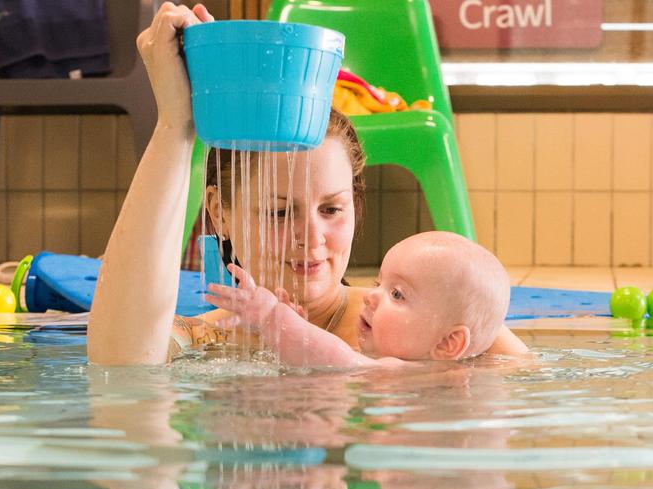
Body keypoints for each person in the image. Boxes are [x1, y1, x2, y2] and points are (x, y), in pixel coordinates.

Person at [87, 2, 528, 365]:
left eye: (331, 209)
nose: (311, 238)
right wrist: (174, 124)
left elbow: (520, 389)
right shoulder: (208, 337)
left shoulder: (429, 322)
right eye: (280, 211)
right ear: (219, 212)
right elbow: (119, 368)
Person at [204, 232, 510, 368]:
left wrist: (273, 317)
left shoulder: (402, 371)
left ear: (447, 344)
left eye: (397, 294)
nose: (372, 295)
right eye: (379, 282)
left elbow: (338, 361)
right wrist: (294, 329)